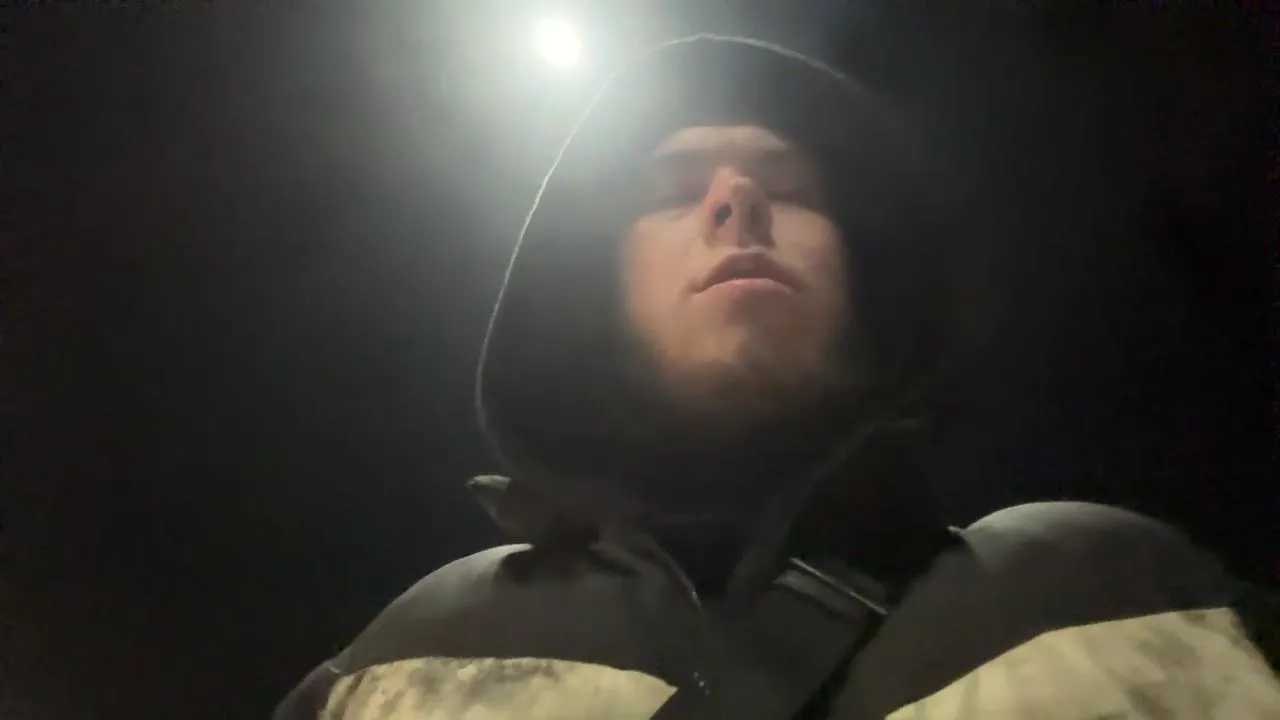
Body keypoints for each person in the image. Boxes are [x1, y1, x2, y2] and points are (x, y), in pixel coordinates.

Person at [274, 35, 1278, 719]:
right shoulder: (409, 651)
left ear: (868, 287)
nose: (738, 202)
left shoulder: (1103, 577)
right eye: (673, 191)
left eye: (791, 187)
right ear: (592, 297)